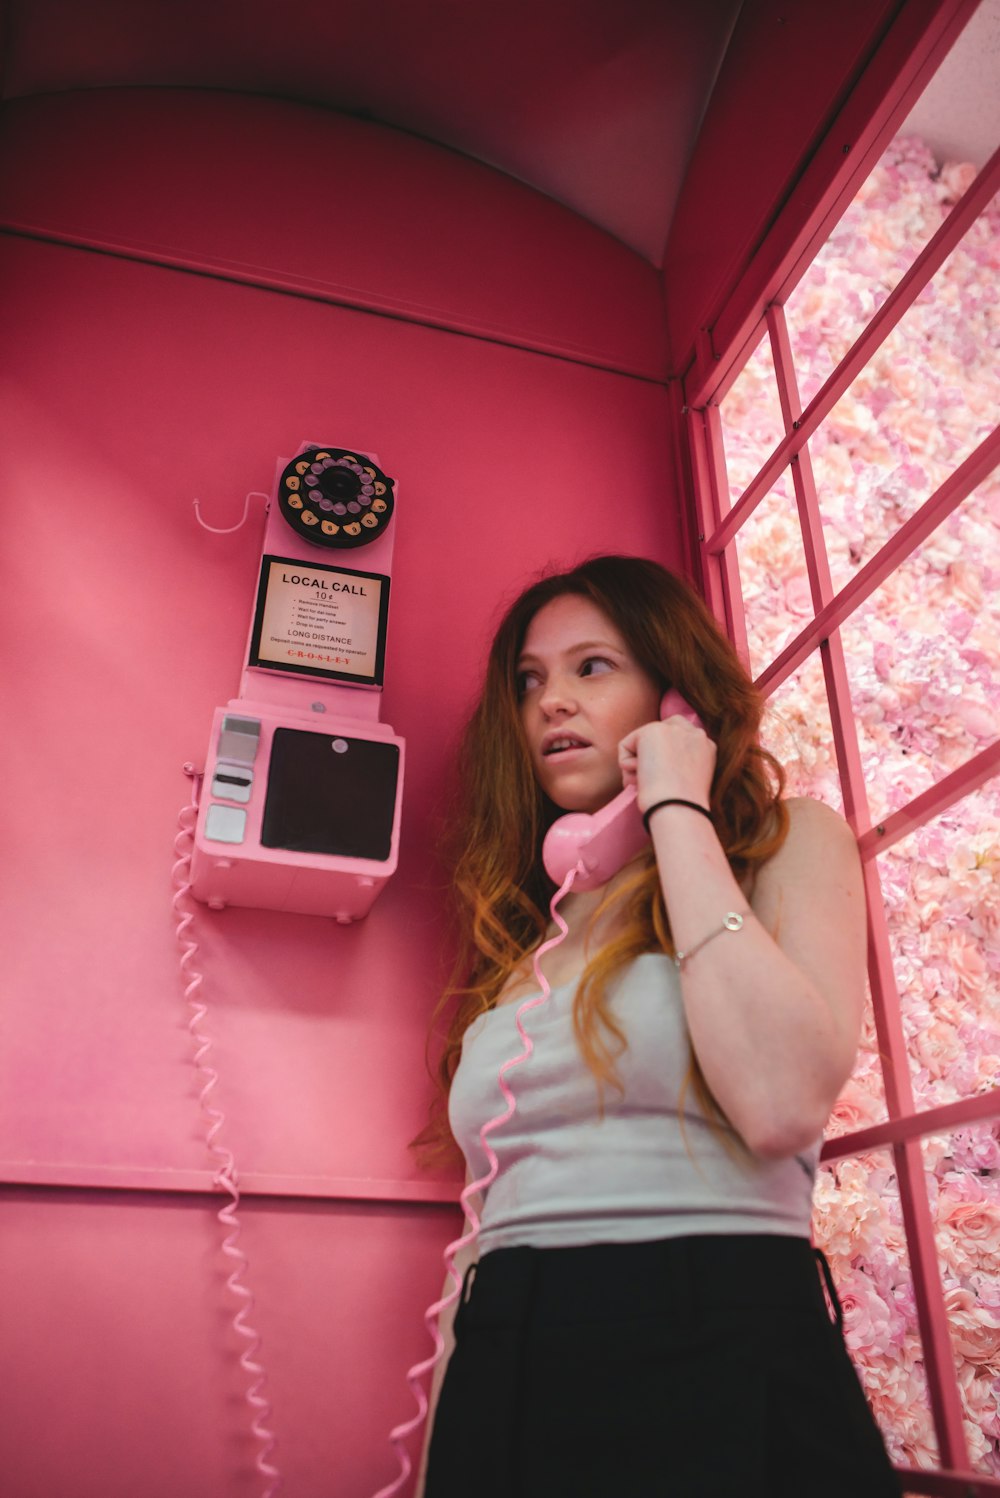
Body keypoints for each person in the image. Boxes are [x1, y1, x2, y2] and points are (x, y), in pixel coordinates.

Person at [412, 555, 899, 1497]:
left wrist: (676, 799)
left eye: (592, 666)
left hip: (719, 1332)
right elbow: (483, 1235)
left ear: (676, 691)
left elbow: (780, 1102)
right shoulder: (531, 935)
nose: (552, 700)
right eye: (530, 679)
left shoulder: (785, 848)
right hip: (507, 1357)